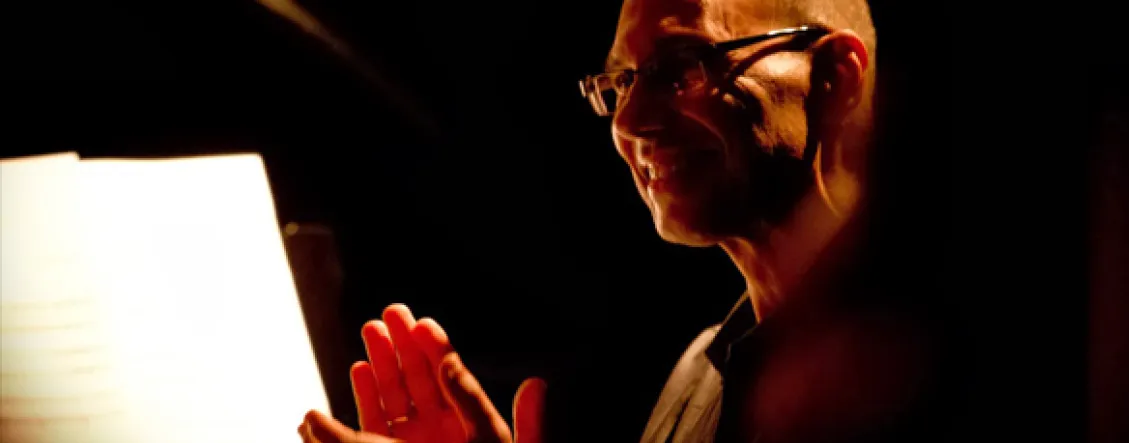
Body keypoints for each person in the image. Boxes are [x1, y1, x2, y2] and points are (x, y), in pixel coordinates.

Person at [299, 0, 942, 441]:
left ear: (834, 77)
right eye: (622, 82)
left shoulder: (933, 359)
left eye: (682, 68)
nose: (629, 121)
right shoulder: (699, 373)